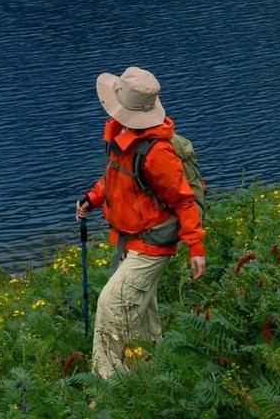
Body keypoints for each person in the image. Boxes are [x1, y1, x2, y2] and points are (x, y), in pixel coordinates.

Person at [75, 66, 205, 378]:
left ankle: (107, 386)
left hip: (152, 243)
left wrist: (195, 247)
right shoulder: (124, 136)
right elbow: (116, 179)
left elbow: (183, 200)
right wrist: (93, 198)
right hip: (130, 238)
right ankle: (153, 372)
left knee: (112, 303)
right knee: (142, 311)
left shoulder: (157, 152)